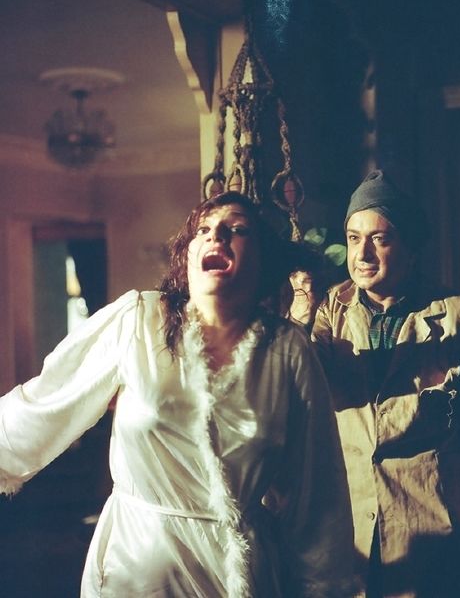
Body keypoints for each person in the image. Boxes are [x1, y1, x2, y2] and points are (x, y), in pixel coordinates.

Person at [0, 191, 354, 598]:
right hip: (135, 572)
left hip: (237, 578)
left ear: (261, 259)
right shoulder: (138, 320)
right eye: (203, 229)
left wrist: (322, 587)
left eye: (237, 229)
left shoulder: (288, 351)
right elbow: (45, 403)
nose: (216, 235)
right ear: (187, 256)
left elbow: (318, 491)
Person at [312, 170, 460, 598]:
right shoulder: (329, 313)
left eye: (380, 239)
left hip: (432, 534)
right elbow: (295, 401)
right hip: (348, 539)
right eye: (353, 238)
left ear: (410, 248)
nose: (363, 254)